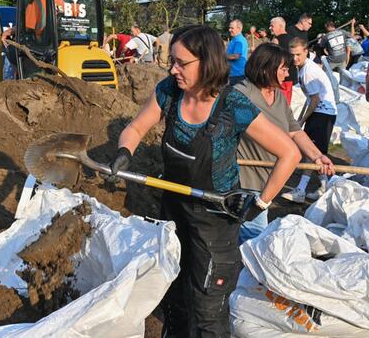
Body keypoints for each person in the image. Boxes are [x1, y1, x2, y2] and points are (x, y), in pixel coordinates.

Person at [112, 25, 301, 337]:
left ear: (207, 62)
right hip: (173, 211)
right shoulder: (169, 93)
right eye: (171, 61)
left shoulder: (232, 106)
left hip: (215, 219)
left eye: (180, 63)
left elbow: (289, 153)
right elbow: (134, 129)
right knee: (174, 299)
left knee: (208, 309)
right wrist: (124, 152)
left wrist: (261, 202)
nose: (173, 70)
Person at [236, 44, 335, 242]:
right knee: (253, 238)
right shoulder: (242, 94)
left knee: (248, 238)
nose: (287, 73)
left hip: (268, 181)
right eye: (282, 68)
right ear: (265, 68)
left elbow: (294, 131)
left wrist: (317, 156)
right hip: (244, 182)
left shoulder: (278, 96)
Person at [287, 37, 338, 203]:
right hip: (319, 111)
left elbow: (315, 100)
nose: (295, 58)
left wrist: (302, 120)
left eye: (298, 55)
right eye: (292, 55)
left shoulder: (308, 71)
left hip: (323, 113)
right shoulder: (302, 68)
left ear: (306, 52)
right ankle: (325, 187)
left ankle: (301, 190)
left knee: (311, 151)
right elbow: (310, 99)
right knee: (315, 151)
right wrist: (300, 119)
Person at [226, 20, 248, 85]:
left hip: (237, 75)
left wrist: (219, 56)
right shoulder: (235, 39)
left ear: (239, 28)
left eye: (232, 28)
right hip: (234, 74)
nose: (229, 30)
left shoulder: (239, 40)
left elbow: (236, 56)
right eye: (229, 28)